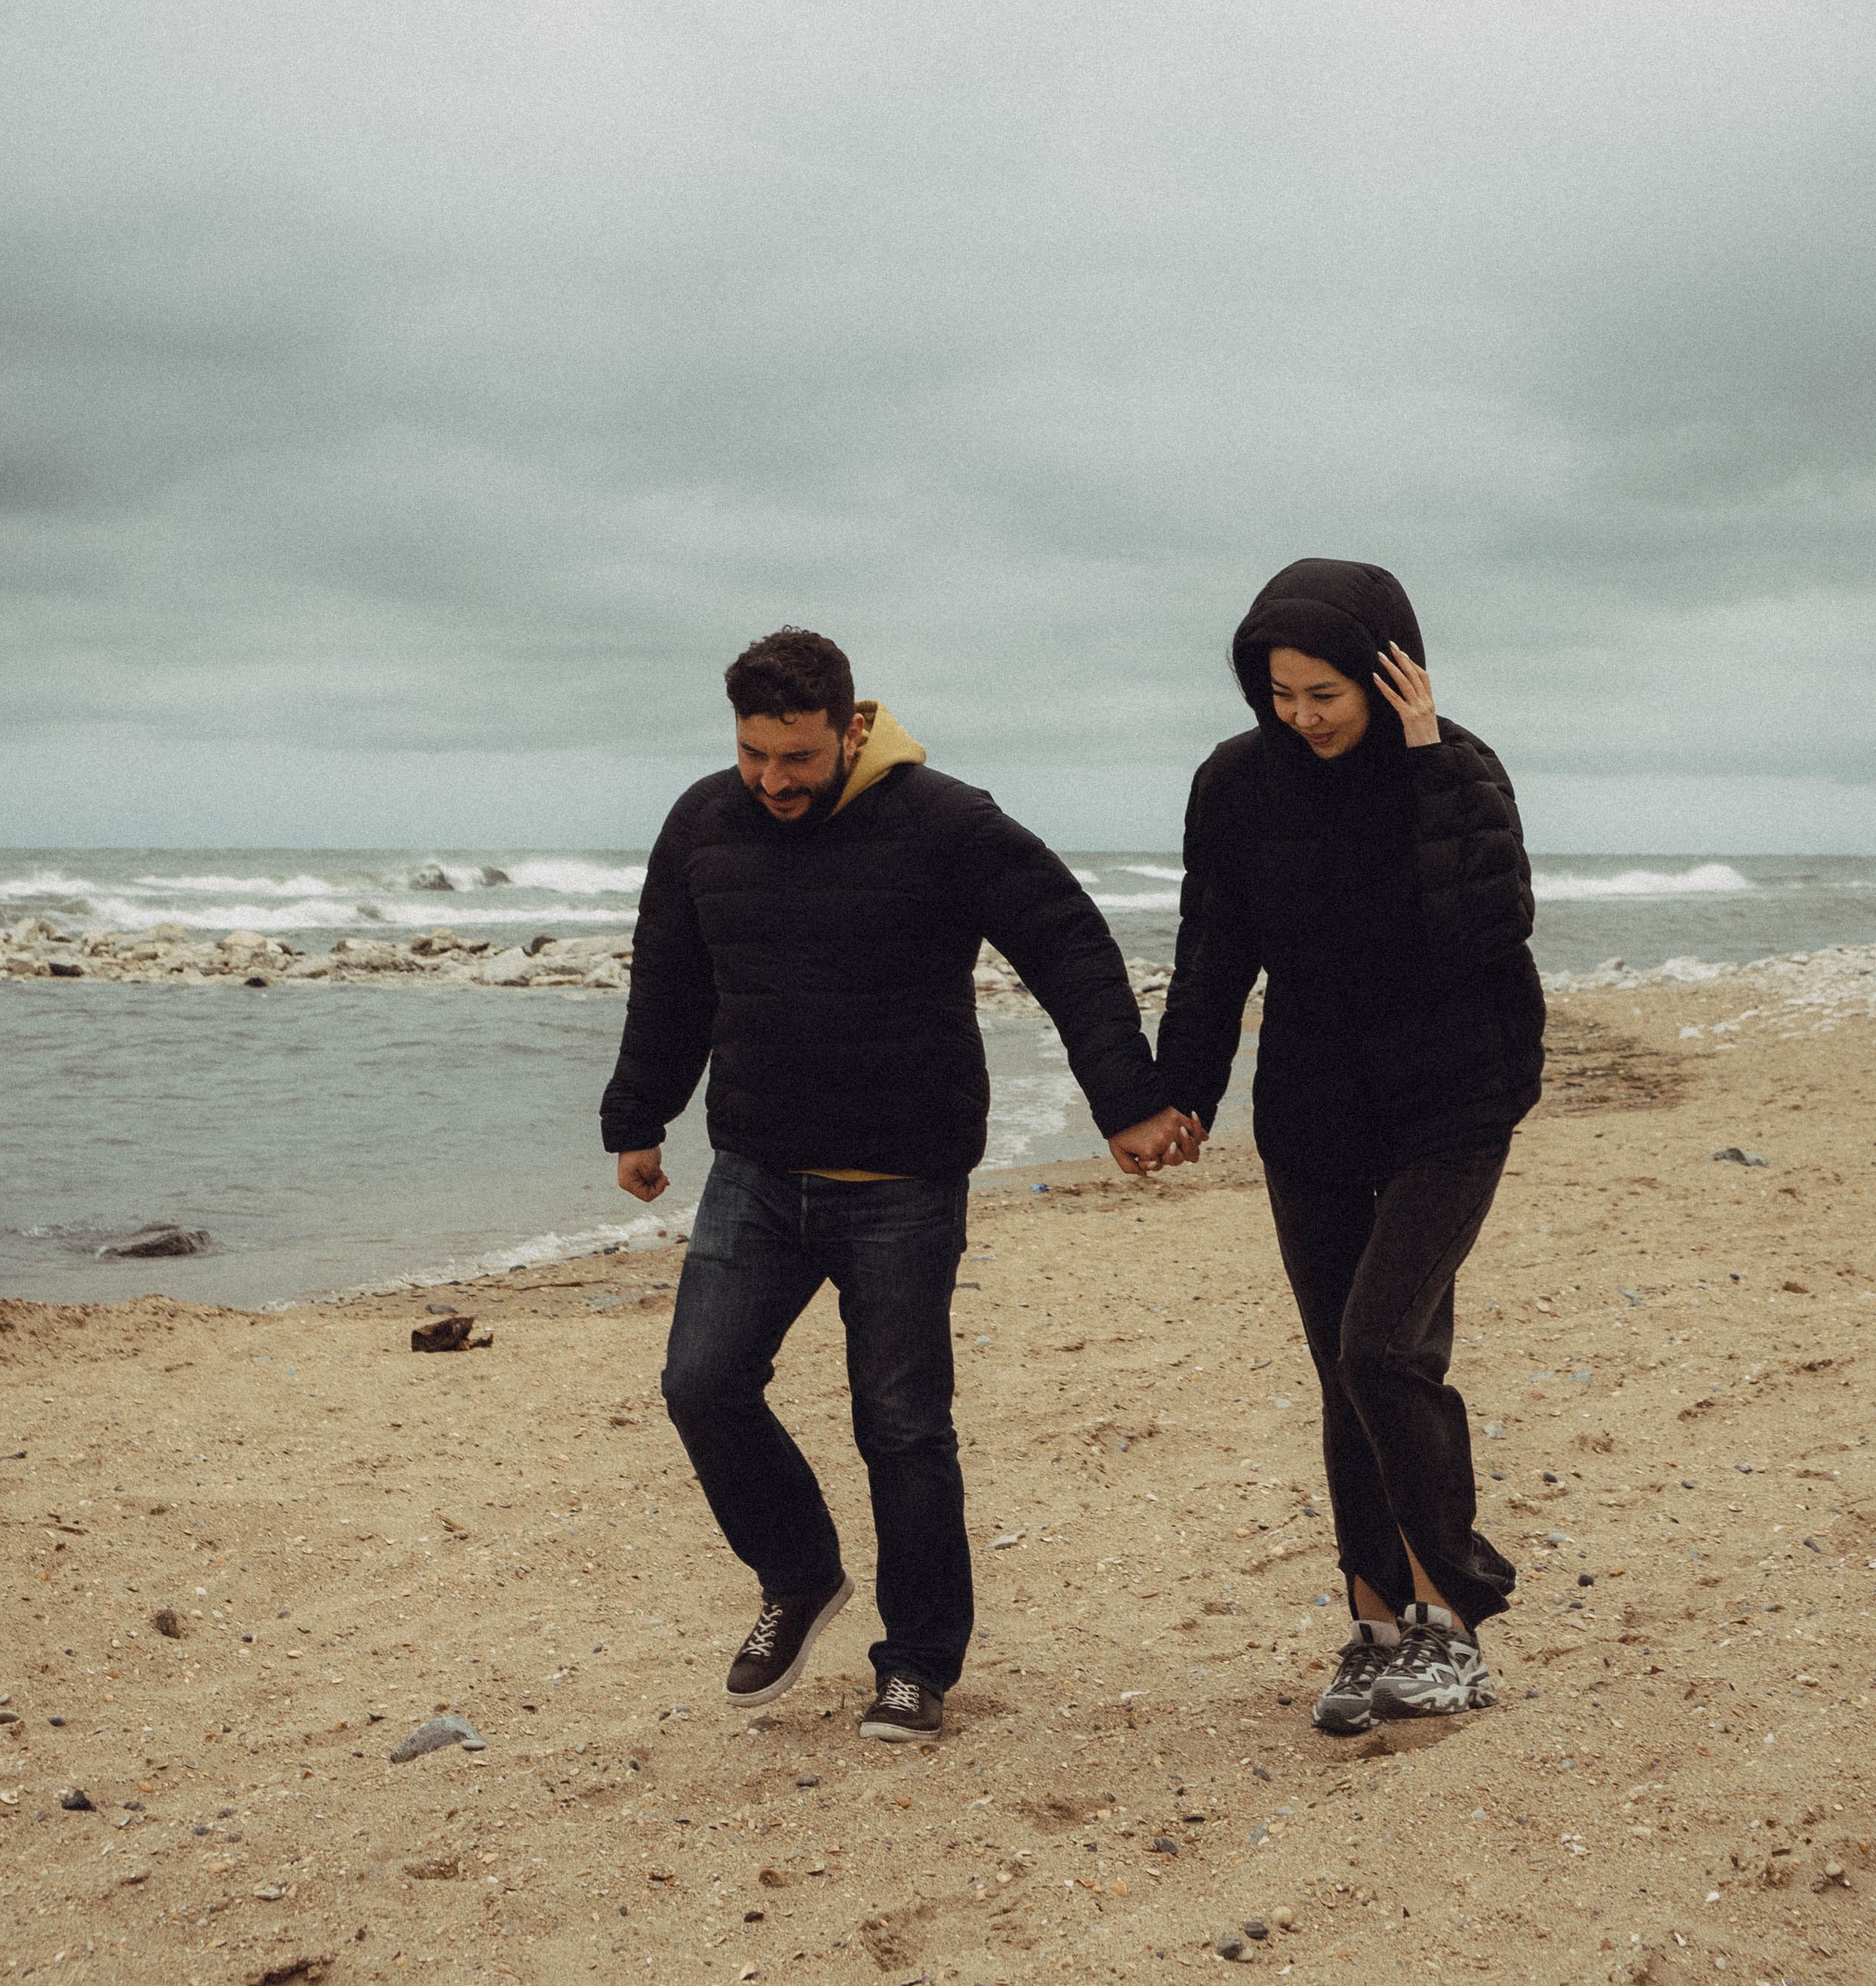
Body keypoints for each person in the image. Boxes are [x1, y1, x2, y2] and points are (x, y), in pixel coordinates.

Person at [602, 625, 1201, 1742]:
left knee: (904, 1428)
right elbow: (671, 974)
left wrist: (1125, 1100)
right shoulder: (703, 821)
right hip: (758, 1173)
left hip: (903, 1182)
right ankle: (799, 1575)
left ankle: (918, 1662)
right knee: (701, 1384)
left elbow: (1066, 941)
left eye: (797, 758)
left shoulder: (943, 822)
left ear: (849, 730)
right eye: (752, 756)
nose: (772, 781)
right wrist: (638, 1116)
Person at [1156, 560, 1544, 1732]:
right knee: (1342, 1366)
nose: (1301, 716)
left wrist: (1424, 761)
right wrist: (1184, 1091)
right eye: (1280, 693)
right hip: (1316, 1101)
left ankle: (1454, 1621)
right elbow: (1213, 948)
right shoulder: (1237, 785)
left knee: (1386, 1347)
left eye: (1324, 692)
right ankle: (1378, 1626)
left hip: (1456, 1095)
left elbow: (1487, 927)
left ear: (1389, 671)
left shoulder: (1458, 768)